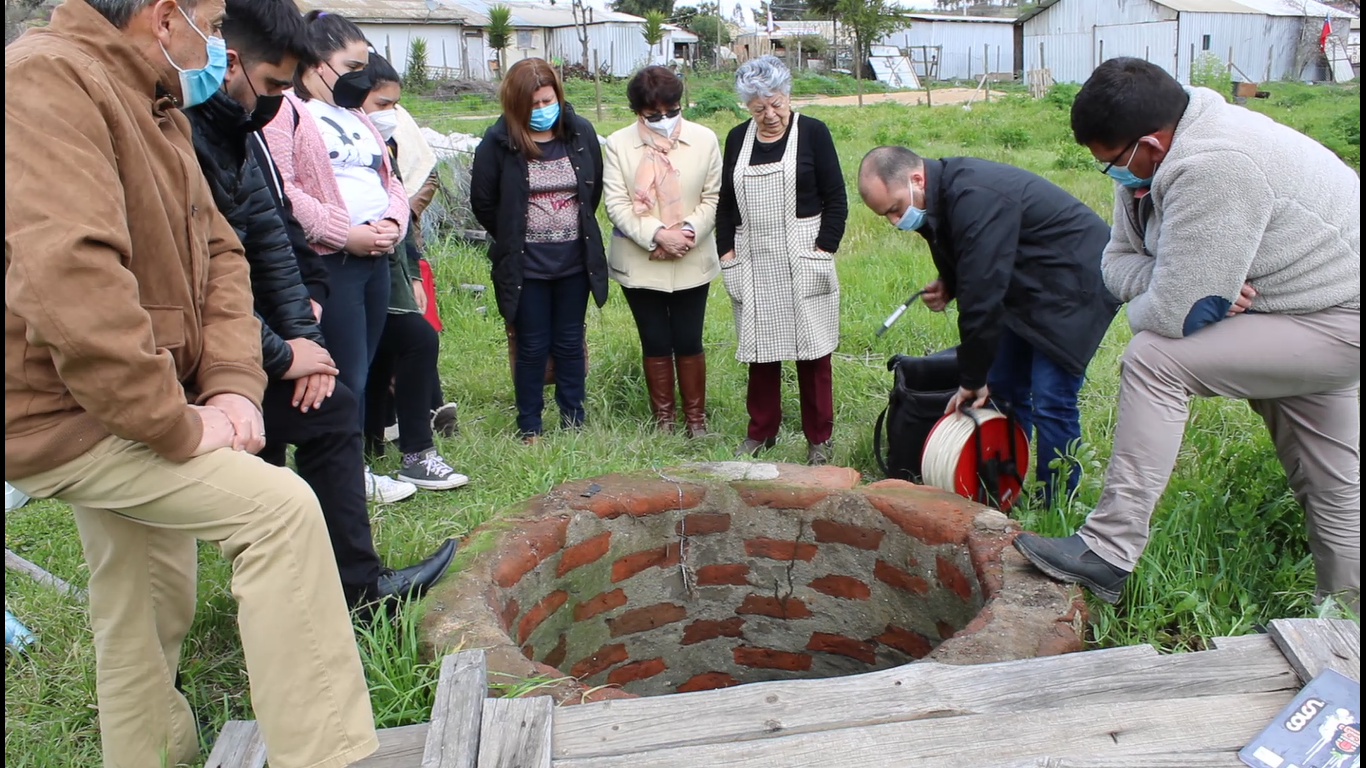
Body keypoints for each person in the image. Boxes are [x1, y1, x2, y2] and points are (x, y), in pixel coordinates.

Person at [5, 0, 378, 765]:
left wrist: (237, 384)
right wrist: (173, 422)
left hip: (121, 401)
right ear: (162, 15)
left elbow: (224, 253)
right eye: (211, 20)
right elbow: (67, 278)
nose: (218, 42)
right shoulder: (44, 83)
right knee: (278, 512)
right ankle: (328, 754)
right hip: (64, 409)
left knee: (143, 596)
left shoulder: (155, 101)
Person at [1013, 58, 1360, 609]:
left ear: (1150, 141)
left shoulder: (1214, 165)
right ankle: (1345, 618)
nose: (1113, 176)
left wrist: (1178, 291)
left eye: (1113, 163)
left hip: (1339, 319)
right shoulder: (1150, 160)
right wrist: (1173, 277)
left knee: (1154, 358)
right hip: (1303, 307)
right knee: (1332, 480)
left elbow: (1179, 315)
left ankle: (1109, 549)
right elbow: (1115, 262)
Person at [187, 0, 457, 607]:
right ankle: (284, 588)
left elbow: (270, 231)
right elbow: (193, 282)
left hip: (265, 332)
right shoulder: (179, 132)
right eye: (276, 83)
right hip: (201, 357)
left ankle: (356, 588)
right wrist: (284, 355)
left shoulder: (242, 127)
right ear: (228, 61)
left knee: (333, 405)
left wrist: (299, 337)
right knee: (289, 441)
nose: (280, 99)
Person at [857, 145, 1120, 506]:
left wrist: (971, 379)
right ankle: (1006, 486)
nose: (894, 221)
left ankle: (1056, 504)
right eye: (885, 214)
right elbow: (962, 250)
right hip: (1027, 283)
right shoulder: (936, 194)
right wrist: (948, 280)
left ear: (916, 179)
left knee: (1051, 398)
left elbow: (981, 298)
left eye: (895, 209)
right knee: (1006, 389)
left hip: (1075, 282)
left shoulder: (975, 196)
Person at [262, 10, 415, 500]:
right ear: (315, 62)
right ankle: (336, 476)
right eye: (351, 67)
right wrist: (342, 233)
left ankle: (347, 471)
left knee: (363, 366)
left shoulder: (355, 117)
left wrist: (393, 221)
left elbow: (388, 178)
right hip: (331, 261)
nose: (362, 79)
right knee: (340, 371)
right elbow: (280, 190)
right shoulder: (286, 112)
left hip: (374, 258)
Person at [716, 55, 848, 465]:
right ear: (747, 107)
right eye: (759, 108)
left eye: (776, 103)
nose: (770, 115)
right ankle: (761, 432)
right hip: (754, 256)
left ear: (788, 94)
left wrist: (823, 250)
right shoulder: (738, 138)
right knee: (760, 350)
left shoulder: (813, 133)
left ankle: (818, 439)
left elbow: (837, 200)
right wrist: (727, 254)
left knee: (813, 351)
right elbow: (725, 205)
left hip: (804, 252)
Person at [471, 57, 608, 443]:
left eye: (548, 101)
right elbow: (484, 202)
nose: (543, 110)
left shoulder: (579, 133)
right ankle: (530, 423)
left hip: (574, 262)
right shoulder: (498, 142)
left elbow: (591, 190)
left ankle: (573, 417)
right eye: (533, 105)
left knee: (568, 340)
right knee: (531, 345)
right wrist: (516, 236)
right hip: (526, 267)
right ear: (516, 105)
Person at [354, 52, 468, 489]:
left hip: (391, 267)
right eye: (382, 104)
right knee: (363, 360)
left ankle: (413, 452)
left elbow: (401, 207)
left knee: (408, 340)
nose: (392, 115)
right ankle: (359, 459)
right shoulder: (330, 137)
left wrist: (415, 276)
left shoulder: (380, 146)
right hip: (341, 270)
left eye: (395, 105)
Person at [602, 65, 722, 437]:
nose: (665, 121)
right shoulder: (618, 145)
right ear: (638, 112)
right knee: (655, 339)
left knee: (688, 338)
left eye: (672, 112)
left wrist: (686, 232)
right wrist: (657, 234)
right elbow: (617, 204)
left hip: (692, 253)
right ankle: (665, 421)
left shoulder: (705, 140)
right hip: (641, 260)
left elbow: (713, 197)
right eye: (654, 116)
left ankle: (696, 420)